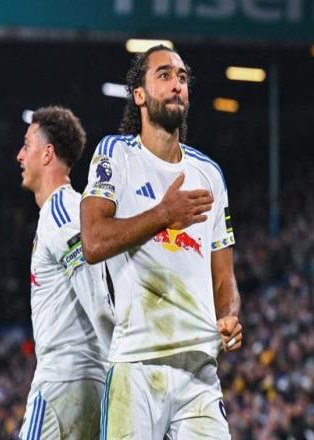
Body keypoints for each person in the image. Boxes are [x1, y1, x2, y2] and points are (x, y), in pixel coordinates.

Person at [81, 46, 242, 439]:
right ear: (139, 94)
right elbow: (93, 241)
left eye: (182, 78)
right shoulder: (115, 154)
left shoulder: (209, 174)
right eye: (165, 75)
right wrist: (163, 214)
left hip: (199, 370)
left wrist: (229, 315)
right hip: (137, 364)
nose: (177, 85)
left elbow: (224, 277)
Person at [16, 106, 114, 439]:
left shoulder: (61, 212)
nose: (19, 155)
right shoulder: (71, 210)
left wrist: (120, 369)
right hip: (86, 381)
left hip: (63, 380)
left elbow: (95, 295)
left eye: (26, 145)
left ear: (47, 154)